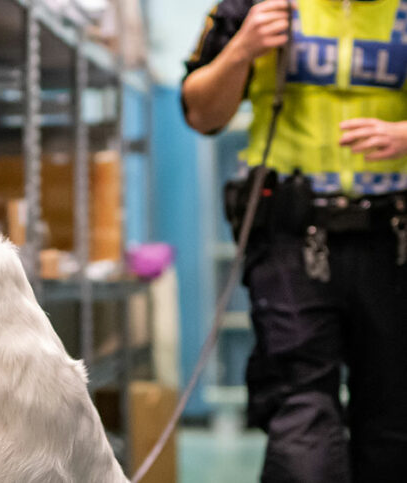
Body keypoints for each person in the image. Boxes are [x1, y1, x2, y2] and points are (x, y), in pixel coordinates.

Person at [182, 0, 407, 481]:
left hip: (395, 242)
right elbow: (200, 114)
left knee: (395, 423)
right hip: (290, 240)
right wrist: (241, 50)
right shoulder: (254, 6)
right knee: (302, 426)